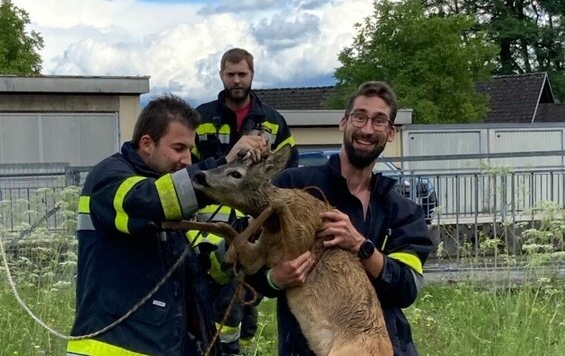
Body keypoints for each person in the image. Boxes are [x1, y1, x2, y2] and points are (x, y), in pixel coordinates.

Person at [67, 94, 266, 356]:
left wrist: (251, 230)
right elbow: (151, 201)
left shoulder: (169, 190)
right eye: (179, 148)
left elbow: (206, 270)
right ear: (147, 143)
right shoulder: (109, 178)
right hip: (114, 346)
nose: (187, 160)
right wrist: (222, 168)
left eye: (190, 151)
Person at [247, 81, 433, 355]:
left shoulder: (403, 211)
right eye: (359, 117)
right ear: (343, 122)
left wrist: (362, 246)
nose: (367, 129)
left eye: (379, 121)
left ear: (391, 132)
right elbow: (247, 263)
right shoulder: (293, 186)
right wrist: (275, 279)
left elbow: (407, 289)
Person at [192, 47, 299, 355]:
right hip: (207, 225)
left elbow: (290, 170)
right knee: (220, 295)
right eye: (231, 74)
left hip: (254, 222)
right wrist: (228, 156)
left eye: (242, 74)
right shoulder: (202, 118)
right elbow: (190, 171)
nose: (236, 80)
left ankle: (243, 348)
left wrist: (266, 166)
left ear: (252, 74)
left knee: (249, 302)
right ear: (221, 75)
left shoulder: (273, 121)